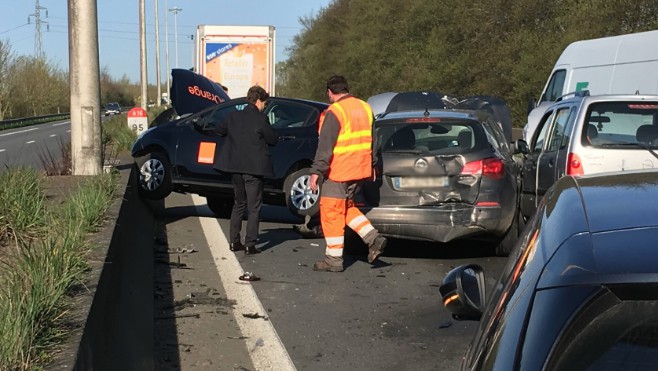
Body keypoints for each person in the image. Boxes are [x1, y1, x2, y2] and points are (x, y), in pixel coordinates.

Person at [309, 75, 387, 272]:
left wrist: (316, 171)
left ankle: (333, 261)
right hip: (360, 170)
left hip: (339, 171)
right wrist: (373, 165)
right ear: (347, 89)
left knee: (331, 212)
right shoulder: (365, 107)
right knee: (346, 208)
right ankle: (373, 238)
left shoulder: (335, 111)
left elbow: (325, 146)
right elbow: (373, 141)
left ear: (329, 92)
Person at [214, 85, 277, 255]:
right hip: (254, 170)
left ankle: (234, 242)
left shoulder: (233, 116)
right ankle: (250, 244)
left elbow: (219, 130)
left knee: (238, 204)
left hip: (235, 168)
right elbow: (272, 139)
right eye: (264, 102)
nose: (264, 105)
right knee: (254, 207)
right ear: (258, 101)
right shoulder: (261, 119)